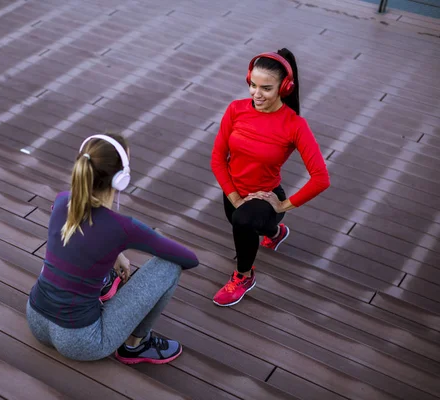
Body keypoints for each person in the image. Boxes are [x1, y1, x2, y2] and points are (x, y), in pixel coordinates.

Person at [26, 133, 199, 364]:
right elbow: (189, 259)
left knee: (68, 249)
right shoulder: (123, 228)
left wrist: (116, 252)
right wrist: (151, 238)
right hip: (81, 342)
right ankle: (136, 345)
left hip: (35, 319)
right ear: (120, 179)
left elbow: (88, 230)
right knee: (168, 265)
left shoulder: (61, 201)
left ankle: (105, 283)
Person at [210, 48, 330, 307]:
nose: (256, 93)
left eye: (266, 88)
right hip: (234, 192)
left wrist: (282, 205)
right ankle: (275, 232)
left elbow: (321, 178)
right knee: (240, 220)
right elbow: (218, 159)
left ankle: (244, 276)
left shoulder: (295, 125)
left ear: (284, 87)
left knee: (242, 222)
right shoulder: (235, 110)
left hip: (266, 198)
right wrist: (235, 197)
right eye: (252, 85)